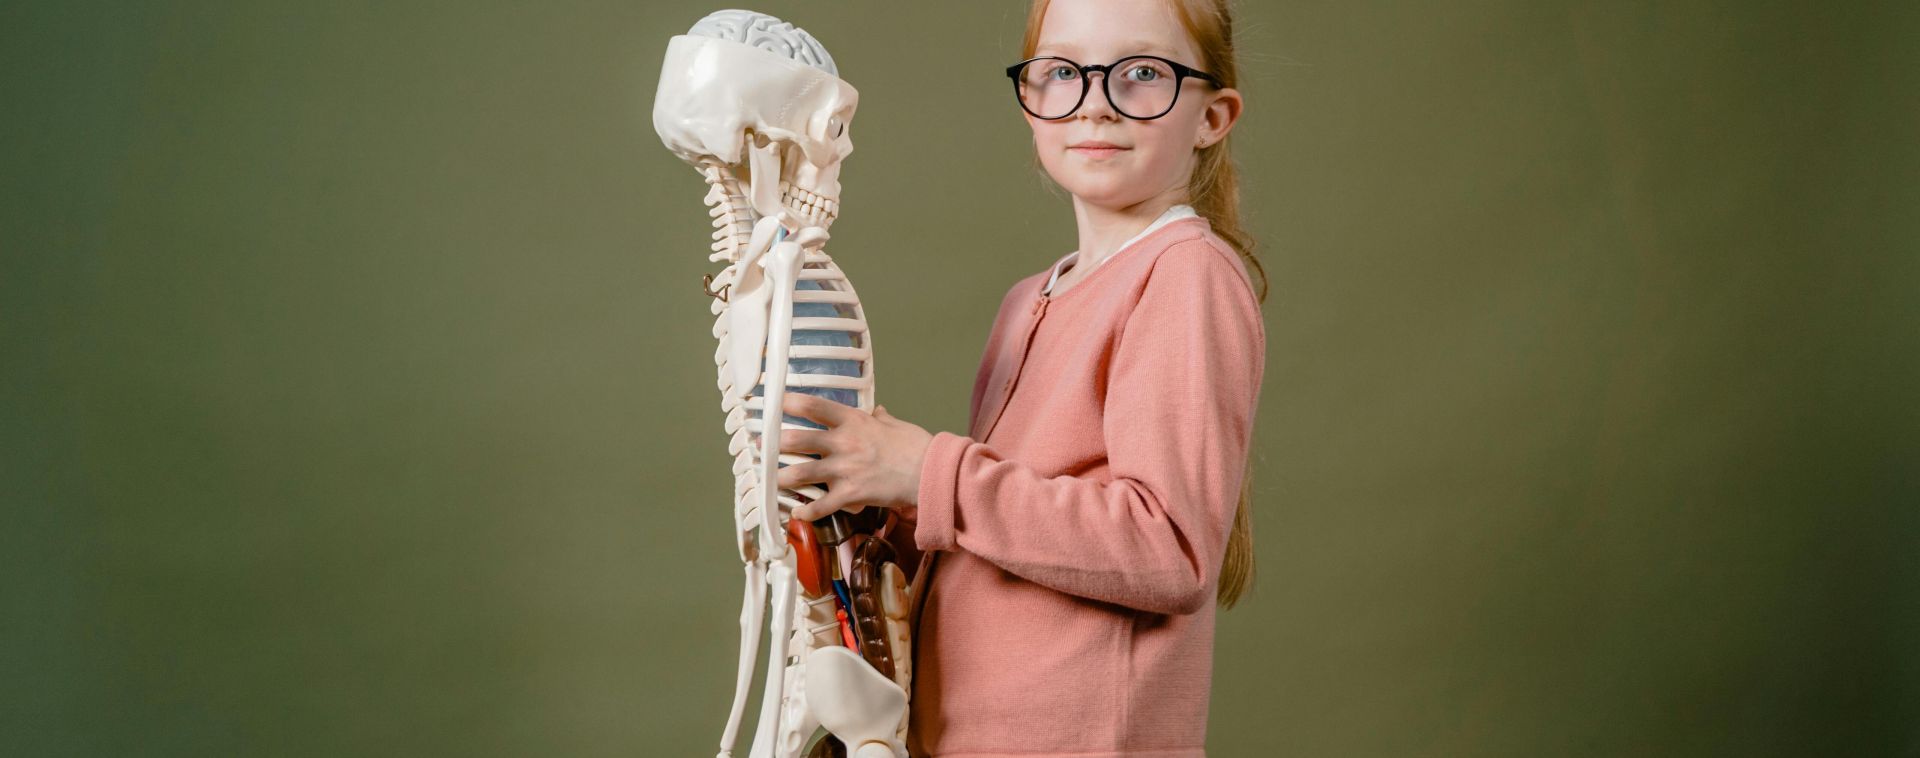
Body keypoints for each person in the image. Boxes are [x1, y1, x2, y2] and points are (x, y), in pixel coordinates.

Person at [774, 0, 1265, 754]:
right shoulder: (1027, 301)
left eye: (1141, 74)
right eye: (1063, 72)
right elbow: (1013, 534)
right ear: (1030, 100)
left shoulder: (1185, 274)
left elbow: (1167, 550)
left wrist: (926, 472)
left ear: (1213, 115)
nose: (1095, 104)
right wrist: (886, 504)